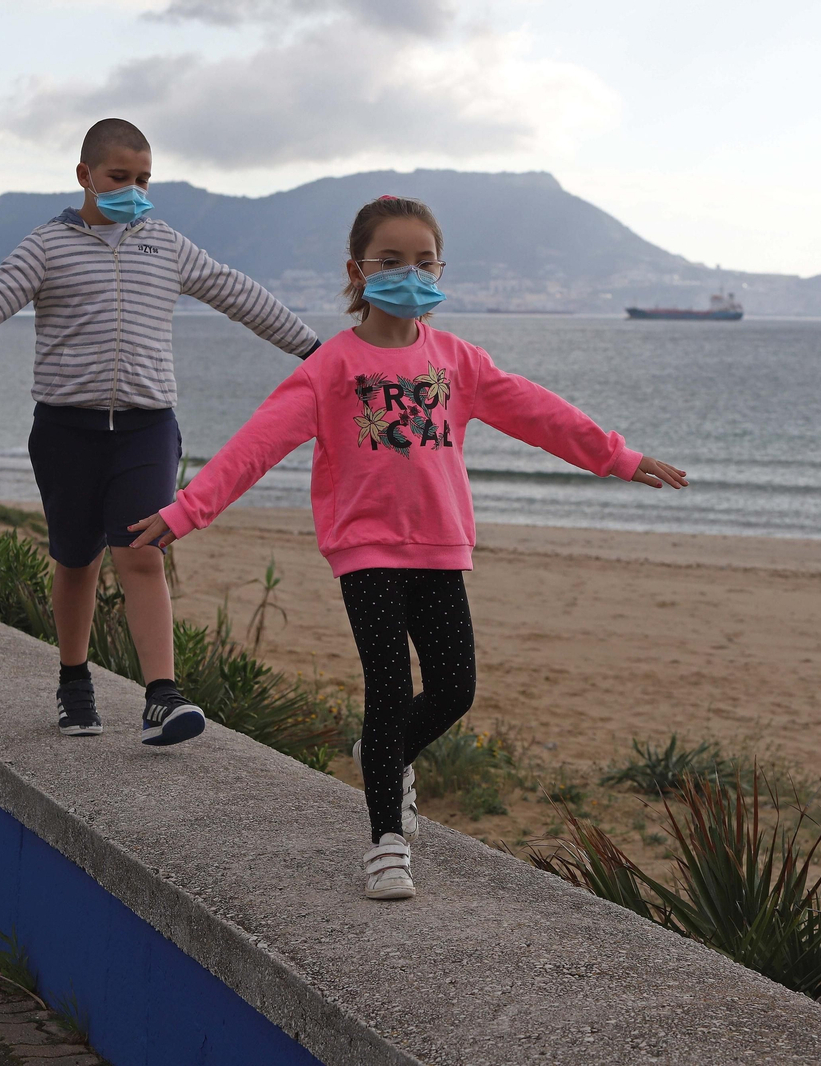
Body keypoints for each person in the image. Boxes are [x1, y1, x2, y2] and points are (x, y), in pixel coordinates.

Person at [127, 195, 687, 900]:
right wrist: (189, 509)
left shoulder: (457, 360)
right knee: (389, 688)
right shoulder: (331, 367)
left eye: (423, 261)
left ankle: (381, 757)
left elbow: (538, 412)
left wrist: (618, 457)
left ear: (441, 268)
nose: (408, 274)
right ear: (357, 270)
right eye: (391, 261)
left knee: (455, 689)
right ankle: (386, 843)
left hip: (440, 547)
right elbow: (258, 443)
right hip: (364, 549)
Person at [0, 118, 321, 743]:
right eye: (119, 177)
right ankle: (75, 680)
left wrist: (321, 355)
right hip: (65, 432)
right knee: (75, 561)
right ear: (85, 176)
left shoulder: (166, 244)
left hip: (147, 428)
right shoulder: (46, 247)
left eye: (144, 179)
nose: (134, 189)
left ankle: (162, 695)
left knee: (140, 551)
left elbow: (242, 295)